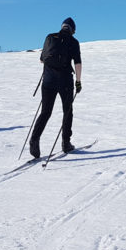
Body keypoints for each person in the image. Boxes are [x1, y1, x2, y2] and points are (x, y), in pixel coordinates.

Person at [29, 17, 82, 158]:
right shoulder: (74, 42)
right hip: (65, 81)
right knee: (67, 111)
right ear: (73, 30)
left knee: (45, 112)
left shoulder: (50, 37)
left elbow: (42, 59)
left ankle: (34, 139)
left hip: (48, 81)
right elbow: (77, 63)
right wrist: (78, 81)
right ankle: (66, 143)